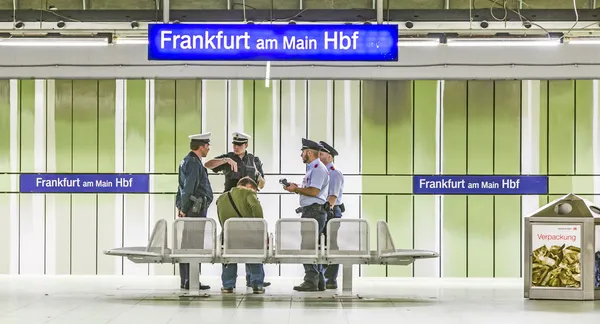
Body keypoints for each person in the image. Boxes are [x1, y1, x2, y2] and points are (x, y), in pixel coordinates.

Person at [204, 131, 270, 288]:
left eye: (239, 145)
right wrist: (224, 160)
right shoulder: (228, 158)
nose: (236, 147)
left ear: (246, 145)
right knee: (230, 241)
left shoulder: (254, 160)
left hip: (248, 203)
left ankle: (254, 279)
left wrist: (257, 173)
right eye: (234, 144)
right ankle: (229, 283)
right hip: (231, 203)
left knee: (252, 241)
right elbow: (207, 165)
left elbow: (261, 184)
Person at [283, 138, 329, 292]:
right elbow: (311, 189)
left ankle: (311, 280)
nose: (301, 154)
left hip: (314, 212)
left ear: (309, 152)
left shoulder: (317, 168)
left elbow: (314, 192)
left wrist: (296, 189)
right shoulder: (313, 168)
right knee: (312, 245)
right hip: (313, 211)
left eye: (302, 152)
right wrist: (297, 187)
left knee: (308, 246)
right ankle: (319, 280)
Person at [175, 132, 214, 291]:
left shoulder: (187, 161)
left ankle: (187, 280)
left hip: (190, 208)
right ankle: (191, 280)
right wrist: (184, 208)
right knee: (193, 245)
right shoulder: (193, 163)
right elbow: (188, 188)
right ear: (201, 146)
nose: (208, 149)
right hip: (195, 210)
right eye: (207, 146)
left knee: (188, 245)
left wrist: (180, 206)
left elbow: (181, 188)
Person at [216, 177, 267, 294]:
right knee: (254, 256)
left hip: (229, 237)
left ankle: (228, 285)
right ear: (249, 186)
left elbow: (221, 218)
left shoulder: (221, 198)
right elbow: (256, 208)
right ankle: (257, 284)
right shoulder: (248, 193)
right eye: (255, 191)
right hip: (248, 237)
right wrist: (259, 228)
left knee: (229, 257)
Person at [318, 141, 345, 290]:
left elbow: (333, 196)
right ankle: (322, 276)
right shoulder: (322, 171)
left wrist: (327, 211)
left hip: (331, 211)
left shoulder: (333, 172)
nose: (318, 156)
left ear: (329, 156)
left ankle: (330, 278)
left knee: (331, 245)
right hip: (325, 210)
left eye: (321, 154)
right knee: (322, 244)